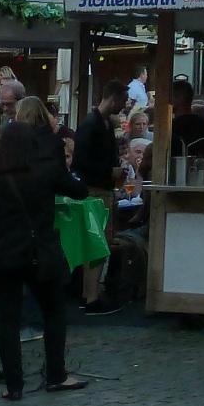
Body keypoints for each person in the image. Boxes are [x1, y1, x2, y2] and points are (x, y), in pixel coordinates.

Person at [0, 97, 87, 401]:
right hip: (40, 249)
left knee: (8, 320)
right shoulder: (45, 171)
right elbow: (78, 190)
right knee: (54, 312)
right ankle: (56, 374)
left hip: (4, 253)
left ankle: (13, 384)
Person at [71, 82, 124, 315]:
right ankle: (91, 297)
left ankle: (88, 294)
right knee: (98, 245)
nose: (123, 107)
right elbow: (80, 162)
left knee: (96, 245)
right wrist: (108, 172)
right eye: (122, 101)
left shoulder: (101, 123)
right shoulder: (91, 125)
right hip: (95, 191)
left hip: (100, 189)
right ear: (113, 98)